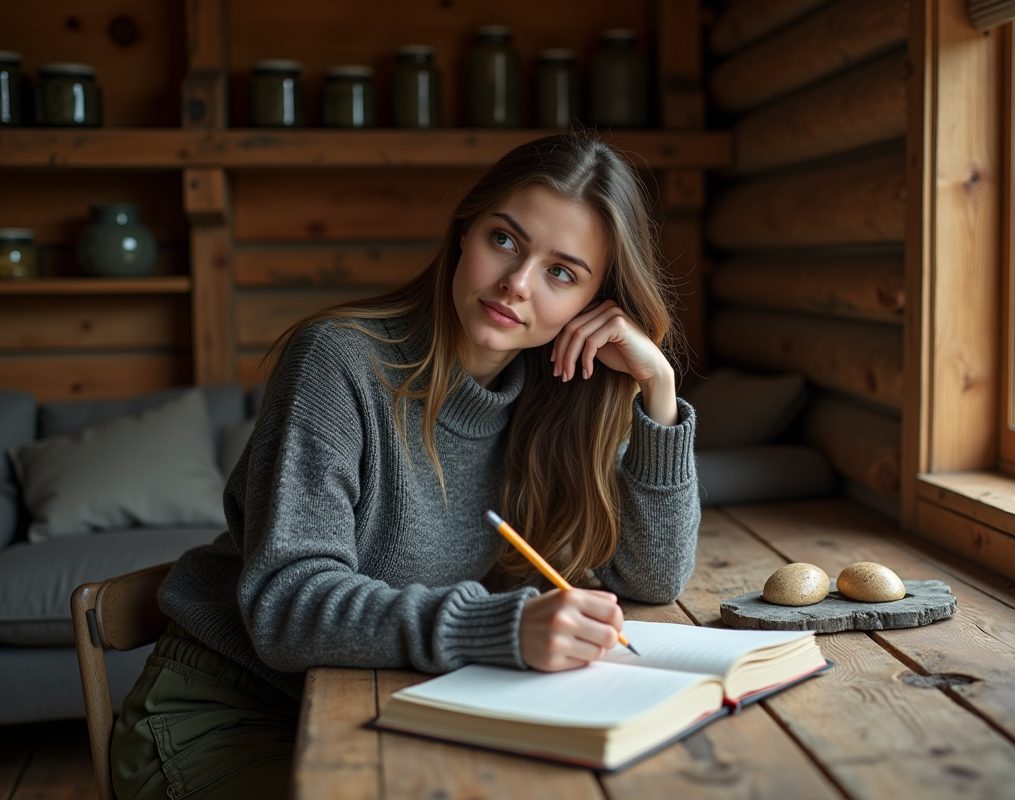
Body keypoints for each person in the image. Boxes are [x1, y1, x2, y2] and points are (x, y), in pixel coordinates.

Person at [109, 131, 701, 800]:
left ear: (594, 306)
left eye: (561, 272)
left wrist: (658, 386)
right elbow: (287, 606)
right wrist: (500, 627)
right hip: (226, 713)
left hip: (388, 709)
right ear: (463, 233)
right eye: (503, 239)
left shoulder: (554, 406)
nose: (517, 283)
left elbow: (652, 578)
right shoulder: (338, 362)